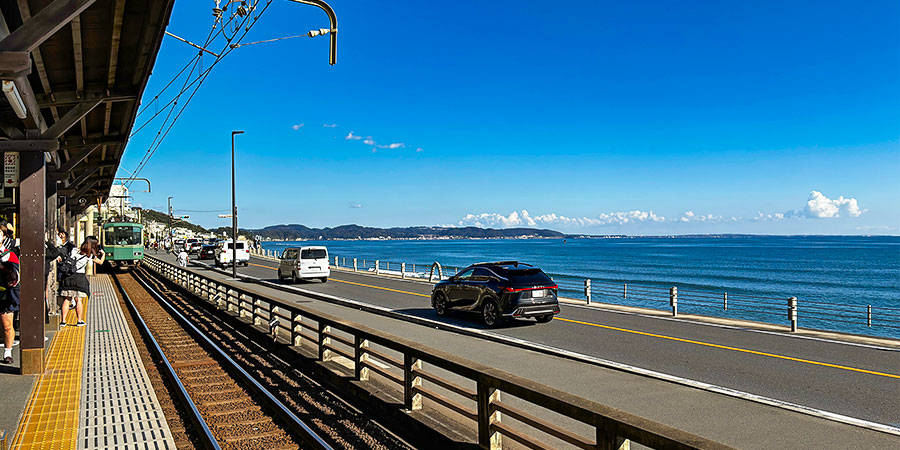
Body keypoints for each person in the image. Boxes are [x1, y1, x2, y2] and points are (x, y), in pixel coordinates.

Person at [58, 237, 105, 328]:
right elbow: (101, 262)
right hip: (79, 278)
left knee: (67, 299)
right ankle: (79, 321)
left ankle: (63, 321)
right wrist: (103, 254)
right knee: (78, 300)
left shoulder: (74, 250)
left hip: (68, 277)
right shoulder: (89, 255)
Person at [0, 237, 20, 364]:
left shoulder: (9, 254)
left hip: (4, 294)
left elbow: (15, 276)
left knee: (7, 326)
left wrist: (3, 267)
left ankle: (8, 352)